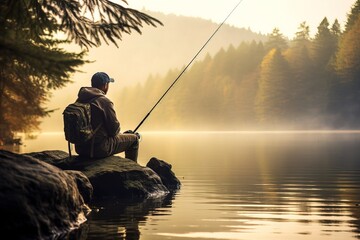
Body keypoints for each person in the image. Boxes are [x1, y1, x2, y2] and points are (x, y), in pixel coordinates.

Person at [74, 72, 140, 161]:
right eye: (108, 84)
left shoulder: (80, 99)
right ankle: (134, 171)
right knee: (134, 139)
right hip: (98, 149)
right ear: (105, 85)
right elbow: (114, 130)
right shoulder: (104, 102)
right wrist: (125, 135)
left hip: (81, 149)